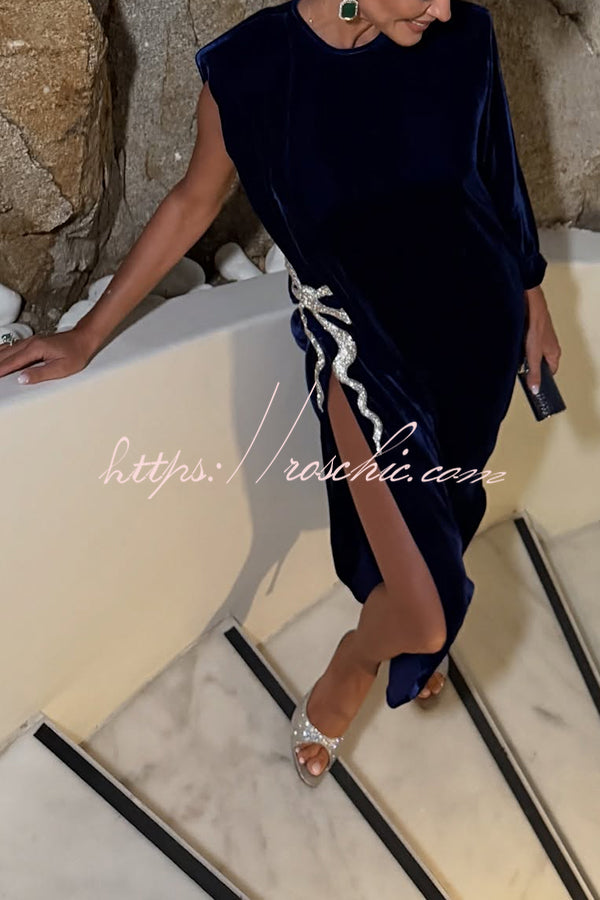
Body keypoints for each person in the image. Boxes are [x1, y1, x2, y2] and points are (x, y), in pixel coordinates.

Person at [0, 0, 561, 787]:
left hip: (478, 340)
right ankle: (360, 660)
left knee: (443, 523)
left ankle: (404, 626)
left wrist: (531, 295)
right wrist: (87, 334)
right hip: (368, 360)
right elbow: (194, 201)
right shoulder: (252, 73)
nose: (443, 8)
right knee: (428, 607)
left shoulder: (463, 31)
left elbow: (495, 172)